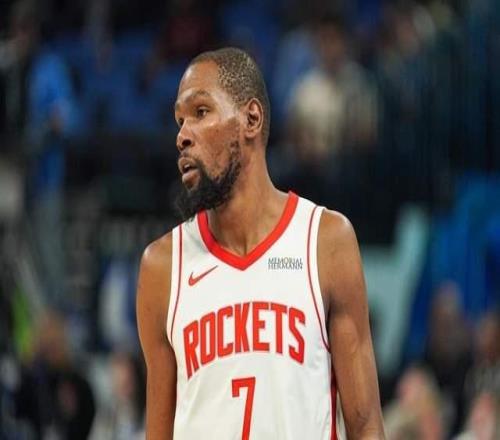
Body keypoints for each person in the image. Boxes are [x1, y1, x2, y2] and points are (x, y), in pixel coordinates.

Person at [136, 47, 385, 439]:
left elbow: (366, 426)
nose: (183, 136)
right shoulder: (162, 266)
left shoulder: (325, 241)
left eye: (201, 112)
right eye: (180, 121)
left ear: (251, 119)